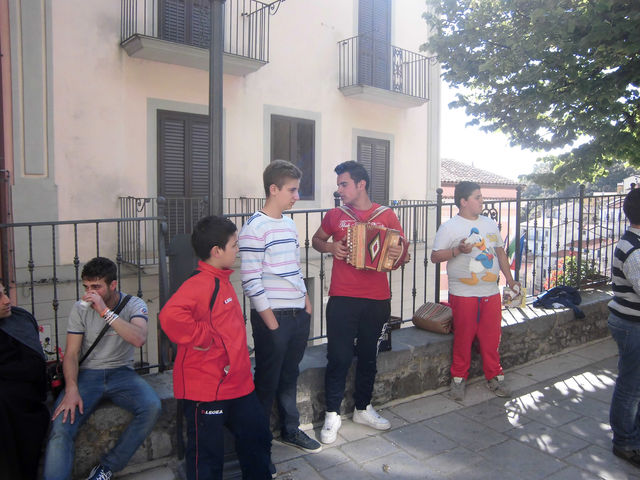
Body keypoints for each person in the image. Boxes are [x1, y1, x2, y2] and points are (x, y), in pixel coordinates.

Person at [160, 215, 272, 480]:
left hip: (239, 385)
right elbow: (169, 317)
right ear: (216, 251)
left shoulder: (221, 279)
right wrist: (208, 339)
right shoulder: (199, 284)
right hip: (207, 390)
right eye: (234, 245)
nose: (238, 250)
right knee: (206, 459)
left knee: (257, 439)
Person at [311, 160, 406, 444]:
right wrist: (331, 247)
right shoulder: (335, 215)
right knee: (338, 357)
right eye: (339, 184)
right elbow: (317, 240)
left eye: (344, 184)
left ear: (361, 185)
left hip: (377, 299)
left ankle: (362, 408)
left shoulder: (386, 215)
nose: (339, 190)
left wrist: (399, 255)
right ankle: (332, 414)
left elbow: (400, 251)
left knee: (368, 357)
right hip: (342, 298)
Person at [43, 257, 161, 480]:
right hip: (89, 374)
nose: (90, 292)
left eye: (96, 287)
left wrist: (105, 311)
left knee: (151, 406)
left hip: (121, 373)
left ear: (113, 285)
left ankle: (107, 467)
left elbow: (138, 338)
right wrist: (71, 388)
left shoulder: (134, 304)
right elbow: (71, 353)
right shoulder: (80, 309)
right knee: (61, 426)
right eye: (87, 287)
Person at [239, 160, 321, 456]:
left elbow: (294, 268)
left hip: (298, 314)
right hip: (273, 318)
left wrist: (307, 302)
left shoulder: (287, 222)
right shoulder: (254, 228)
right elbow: (250, 280)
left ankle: (290, 430)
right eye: (292, 190)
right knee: (267, 379)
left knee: (290, 375)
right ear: (273, 189)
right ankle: (257, 441)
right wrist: (271, 323)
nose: (296, 196)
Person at [430, 181, 518, 402]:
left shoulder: (489, 223)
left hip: (490, 292)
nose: (482, 201)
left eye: (481, 197)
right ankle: (458, 379)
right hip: (462, 294)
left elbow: (500, 253)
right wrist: (458, 249)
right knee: (463, 337)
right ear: (463, 201)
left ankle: (495, 376)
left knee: (491, 337)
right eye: (478, 197)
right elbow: (435, 257)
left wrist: (510, 279)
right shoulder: (449, 227)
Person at [0, 281, 49, 480]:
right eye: (0, 297)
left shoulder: (19, 321)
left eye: (5, 293)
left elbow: (34, 368)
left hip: (23, 399)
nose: (7, 300)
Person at [607, 188, 640, 467]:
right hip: (632, 325)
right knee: (631, 386)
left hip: (631, 322)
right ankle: (625, 443)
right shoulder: (632, 249)